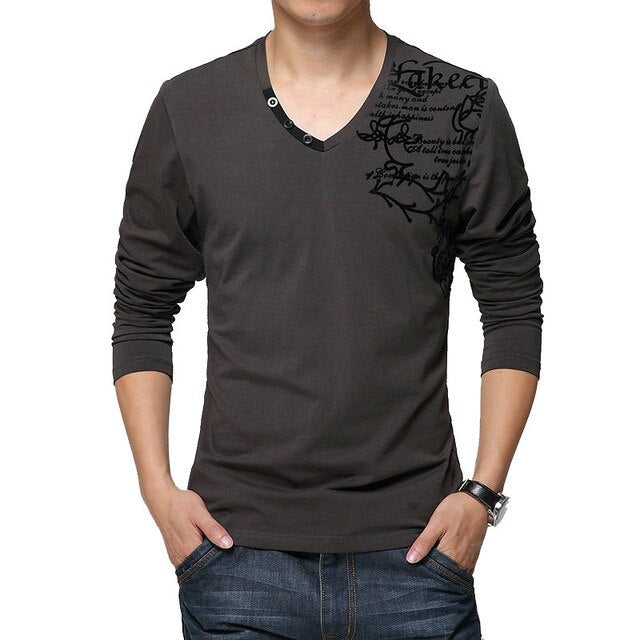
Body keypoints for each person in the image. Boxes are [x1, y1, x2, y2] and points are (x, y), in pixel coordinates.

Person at [112, 1, 543, 637]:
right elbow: (143, 308)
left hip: (419, 554)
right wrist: (157, 490)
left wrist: (482, 493)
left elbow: (511, 306)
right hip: (236, 556)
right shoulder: (190, 108)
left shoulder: (460, 104)